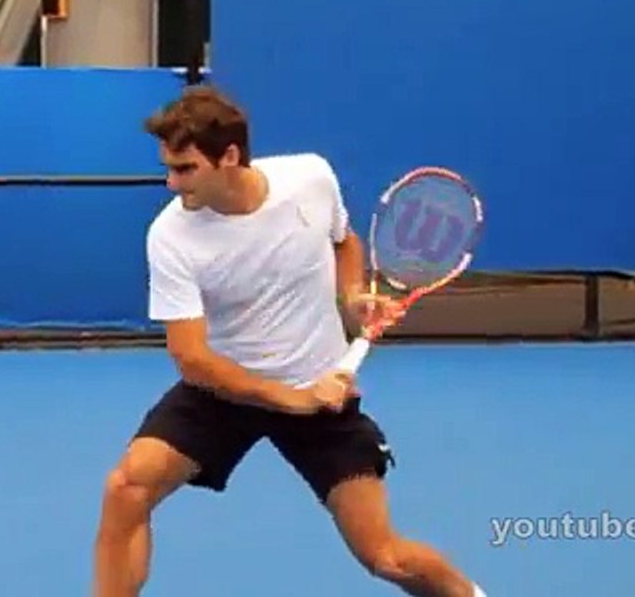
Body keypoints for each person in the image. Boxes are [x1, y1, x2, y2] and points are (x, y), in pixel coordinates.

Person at [91, 86, 488, 597]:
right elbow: (191, 358)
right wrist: (291, 398)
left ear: (229, 157)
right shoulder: (170, 237)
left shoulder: (310, 178)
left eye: (185, 168)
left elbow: (344, 241)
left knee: (386, 557)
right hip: (225, 389)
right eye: (168, 167)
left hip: (322, 390)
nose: (171, 182)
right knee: (127, 488)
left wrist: (351, 298)